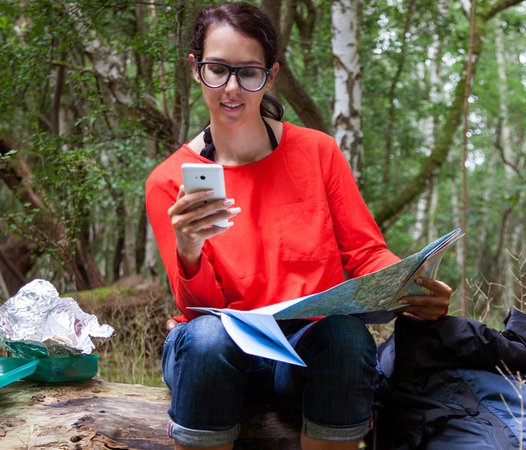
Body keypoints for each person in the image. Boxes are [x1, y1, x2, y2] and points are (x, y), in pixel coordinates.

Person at [145, 3, 452, 450]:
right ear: (196, 69)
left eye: (248, 73)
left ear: (270, 76)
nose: (232, 88)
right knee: (209, 338)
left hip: (303, 351)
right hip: (215, 355)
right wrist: (188, 249)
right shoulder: (169, 181)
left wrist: (409, 286)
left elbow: (366, 252)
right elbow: (198, 312)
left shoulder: (317, 153)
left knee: (345, 336)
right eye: (218, 70)